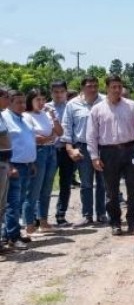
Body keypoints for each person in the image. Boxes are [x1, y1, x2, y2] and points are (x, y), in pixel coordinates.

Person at [86, 75, 134, 236]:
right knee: (111, 191)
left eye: (119, 86)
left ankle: (133, 223)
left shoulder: (132, 106)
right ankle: (115, 223)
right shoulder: (97, 109)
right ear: (107, 88)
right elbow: (91, 135)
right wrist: (94, 156)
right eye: (113, 87)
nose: (117, 90)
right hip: (108, 152)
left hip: (131, 150)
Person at [61, 76, 107, 227]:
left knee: (103, 182)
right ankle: (87, 215)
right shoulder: (72, 104)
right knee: (86, 183)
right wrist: (69, 148)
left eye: (95, 85)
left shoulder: (105, 101)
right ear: (82, 87)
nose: (93, 89)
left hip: (103, 147)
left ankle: (102, 214)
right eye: (89, 86)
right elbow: (67, 127)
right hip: (82, 147)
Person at [22, 88, 63, 234]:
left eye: (43, 99)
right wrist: (48, 137)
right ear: (30, 101)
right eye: (37, 99)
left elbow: (59, 132)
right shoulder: (27, 116)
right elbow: (35, 138)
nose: (41, 102)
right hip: (38, 153)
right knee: (34, 188)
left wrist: (53, 116)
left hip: (51, 151)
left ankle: (43, 220)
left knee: (47, 188)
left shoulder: (46, 115)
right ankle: (29, 222)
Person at [2, 90, 37, 250]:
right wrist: (10, 165)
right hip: (14, 166)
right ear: (9, 102)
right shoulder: (6, 119)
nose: (23, 105)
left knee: (20, 201)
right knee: (13, 203)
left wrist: (32, 162)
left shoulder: (25, 118)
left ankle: (11, 233)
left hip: (26, 165)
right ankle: (12, 236)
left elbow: (28, 140)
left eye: (24, 102)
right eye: (18, 102)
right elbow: (5, 144)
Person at [45, 80, 73, 226]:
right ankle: (41, 216)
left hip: (66, 149)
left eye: (61, 91)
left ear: (66, 92)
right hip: (50, 150)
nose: (59, 94)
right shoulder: (45, 107)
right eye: (55, 92)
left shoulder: (71, 106)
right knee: (47, 183)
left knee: (66, 183)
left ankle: (61, 214)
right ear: (51, 93)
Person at [0, 87, 12, 251]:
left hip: (5, 162)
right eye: (6, 97)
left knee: (2, 204)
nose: (9, 100)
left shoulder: (1, 114)